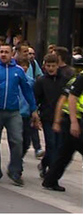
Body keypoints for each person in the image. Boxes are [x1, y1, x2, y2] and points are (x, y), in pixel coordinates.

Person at [0, 43, 39, 186]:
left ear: (12, 54)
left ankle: (15, 171)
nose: (3, 54)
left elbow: (27, 90)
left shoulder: (18, 70)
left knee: (17, 141)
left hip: (13, 111)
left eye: (6, 52)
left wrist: (34, 109)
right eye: (1, 52)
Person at [42, 63, 83, 192]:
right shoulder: (81, 78)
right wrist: (72, 122)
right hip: (75, 119)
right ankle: (50, 179)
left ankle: (50, 180)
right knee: (65, 152)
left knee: (64, 153)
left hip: (73, 121)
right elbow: (70, 98)